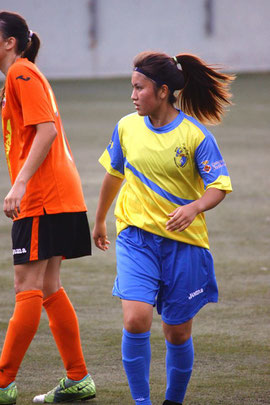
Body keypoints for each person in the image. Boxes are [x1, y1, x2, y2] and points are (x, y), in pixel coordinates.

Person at [93, 50, 234, 405]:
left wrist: (195, 207)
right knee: (136, 320)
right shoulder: (126, 127)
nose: (133, 95)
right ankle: (142, 402)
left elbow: (218, 185)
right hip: (135, 238)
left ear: (162, 91)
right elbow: (114, 173)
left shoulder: (195, 136)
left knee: (176, 331)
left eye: (139, 88)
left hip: (183, 244)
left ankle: (173, 401)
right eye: (132, 87)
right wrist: (99, 220)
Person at [0, 11, 96, 405]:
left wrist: (19, 184)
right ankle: (78, 378)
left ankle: (3, 383)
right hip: (56, 194)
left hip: (42, 196)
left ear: (9, 42)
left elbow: (47, 129)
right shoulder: (20, 76)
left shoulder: (21, 73)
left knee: (27, 286)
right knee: (48, 286)